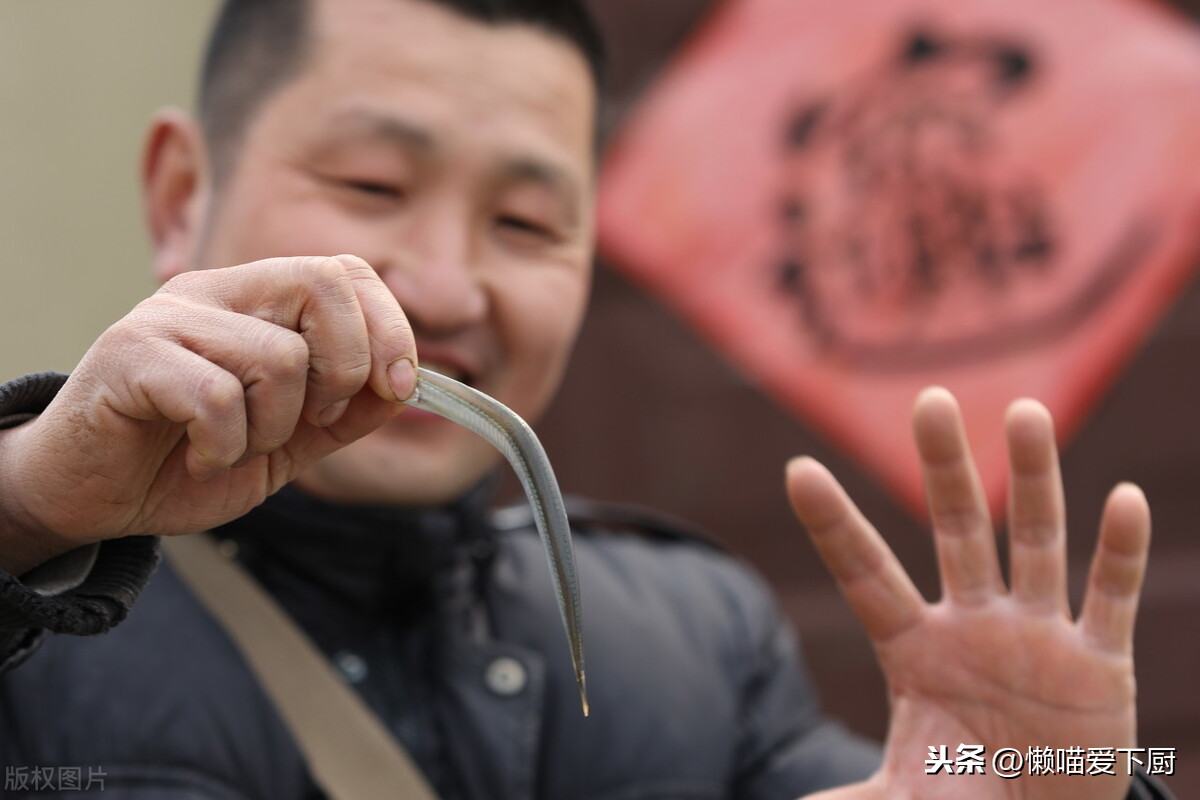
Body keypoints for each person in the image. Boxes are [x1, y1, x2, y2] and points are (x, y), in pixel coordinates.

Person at [0, 0, 1171, 798]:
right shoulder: (35, 591)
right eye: (371, 184)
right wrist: (24, 510)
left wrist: (1056, 780)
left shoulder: (697, 636)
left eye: (525, 222)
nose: (448, 287)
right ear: (176, 194)